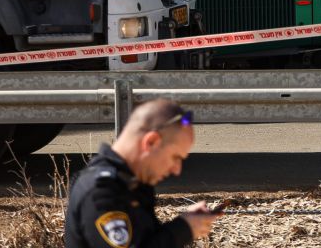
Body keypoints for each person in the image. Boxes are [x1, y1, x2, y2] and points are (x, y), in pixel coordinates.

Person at [65, 98, 220, 248]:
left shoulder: (132, 184)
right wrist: (183, 229)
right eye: (175, 157)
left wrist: (186, 223)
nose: (177, 170)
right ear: (150, 141)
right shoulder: (100, 192)